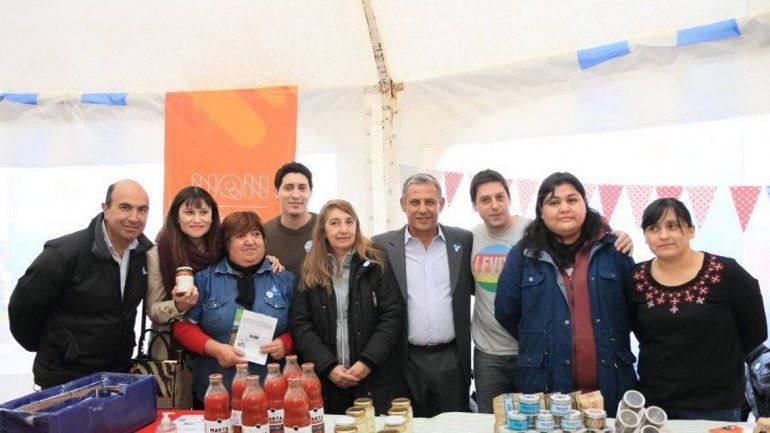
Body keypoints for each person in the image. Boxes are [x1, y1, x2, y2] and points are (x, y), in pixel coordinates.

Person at [470, 170, 633, 412]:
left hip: (609, 387)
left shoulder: (613, 251)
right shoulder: (523, 254)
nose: (564, 208)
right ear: (541, 212)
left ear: (585, 204)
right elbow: (506, 310)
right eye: (554, 202)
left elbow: (633, 310)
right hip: (544, 384)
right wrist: (542, 337)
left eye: (572, 199)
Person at [624, 198, 767, 421]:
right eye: (653, 228)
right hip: (655, 404)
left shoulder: (727, 273)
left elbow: (755, 334)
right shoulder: (635, 279)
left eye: (672, 226)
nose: (663, 235)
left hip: (717, 405)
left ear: (691, 231)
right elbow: (640, 332)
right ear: (645, 235)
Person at [9, 180, 152, 388]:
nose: (134, 217)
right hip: (64, 380)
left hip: (115, 377)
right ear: (105, 209)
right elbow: (22, 308)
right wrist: (58, 349)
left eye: (142, 210)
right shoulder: (64, 253)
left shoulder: (143, 254)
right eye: (125, 207)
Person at [291, 199, 407, 414]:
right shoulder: (308, 269)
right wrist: (328, 366)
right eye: (334, 223)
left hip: (374, 377)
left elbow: (392, 316)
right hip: (327, 381)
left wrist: (367, 362)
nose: (343, 229)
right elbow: (301, 324)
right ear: (323, 231)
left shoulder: (376, 263)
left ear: (357, 226)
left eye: (349, 222)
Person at [373, 173, 474, 417]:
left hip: (452, 359)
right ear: (403, 204)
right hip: (405, 360)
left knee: (454, 426)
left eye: (430, 202)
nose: (423, 209)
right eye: (415, 202)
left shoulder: (463, 240)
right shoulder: (382, 246)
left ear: (441, 203)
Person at [172, 211, 295, 405]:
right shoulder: (205, 279)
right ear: (226, 244)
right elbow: (182, 327)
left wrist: (285, 343)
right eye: (240, 236)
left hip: (272, 393)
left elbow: (302, 327)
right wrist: (216, 349)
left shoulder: (285, 280)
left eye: (256, 234)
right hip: (217, 393)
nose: (250, 241)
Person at [145, 186, 220, 359]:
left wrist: (268, 259)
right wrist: (178, 306)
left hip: (216, 343)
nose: (197, 219)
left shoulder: (222, 247)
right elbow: (153, 310)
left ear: (212, 216)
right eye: (189, 212)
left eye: (203, 212)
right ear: (176, 217)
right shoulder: (159, 253)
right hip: (172, 349)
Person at [263, 162, 317, 277]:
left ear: (310, 192)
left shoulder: (327, 227)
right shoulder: (262, 234)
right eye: (288, 188)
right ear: (277, 193)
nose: (296, 195)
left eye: (302, 188)